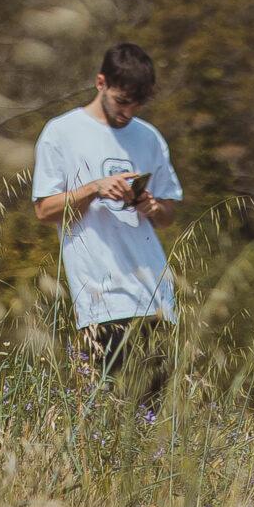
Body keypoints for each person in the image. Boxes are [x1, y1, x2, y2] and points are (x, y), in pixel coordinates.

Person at [31, 43, 185, 400]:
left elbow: (169, 213)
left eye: (137, 104)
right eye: (121, 101)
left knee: (152, 413)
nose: (128, 112)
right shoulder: (61, 132)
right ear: (100, 82)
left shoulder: (149, 137)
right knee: (109, 409)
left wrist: (151, 206)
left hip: (154, 295)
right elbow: (44, 211)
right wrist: (94, 189)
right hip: (101, 297)